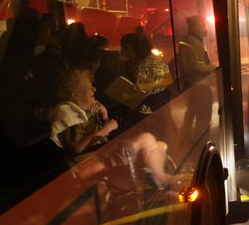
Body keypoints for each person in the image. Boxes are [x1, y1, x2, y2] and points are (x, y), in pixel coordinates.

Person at [45, 68, 174, 187]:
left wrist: (104, 115)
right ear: (76, 94)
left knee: (160, 145)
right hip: (88, 164)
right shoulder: (65, 113)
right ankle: (162, 179)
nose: (94, 90)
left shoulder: (84, 112)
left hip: (100, 155)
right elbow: (76, 148)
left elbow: (101, 137)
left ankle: (158, 180)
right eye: (89, 88)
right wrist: (107, 127)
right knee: (145, 139)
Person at [178, 15, 217, 89]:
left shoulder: (191, 41)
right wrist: (215, 68)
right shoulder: (192, 43)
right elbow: (196, 66)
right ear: (194, 28)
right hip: (198, 84)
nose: (205, 29)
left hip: (197, 83)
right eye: (202, 26)